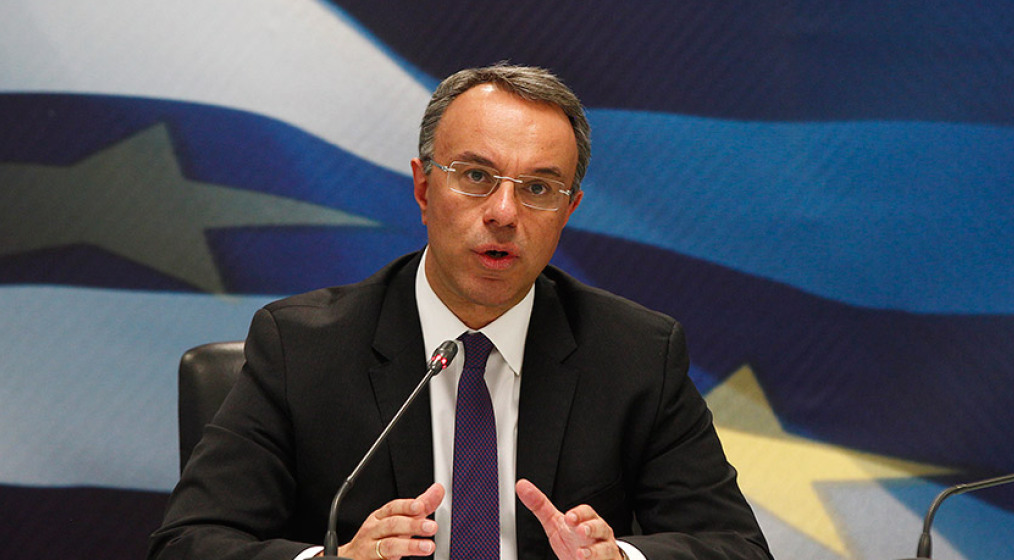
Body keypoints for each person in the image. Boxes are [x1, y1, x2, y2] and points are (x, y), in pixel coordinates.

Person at [149, 64, 772, 560]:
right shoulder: (302, 347)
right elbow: (187, 543)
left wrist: (621, 558)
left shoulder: (636, 355)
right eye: (476, 176)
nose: (503, 212)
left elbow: (737, 547)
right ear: (424, 189)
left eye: (538, 188)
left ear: (569, 210)